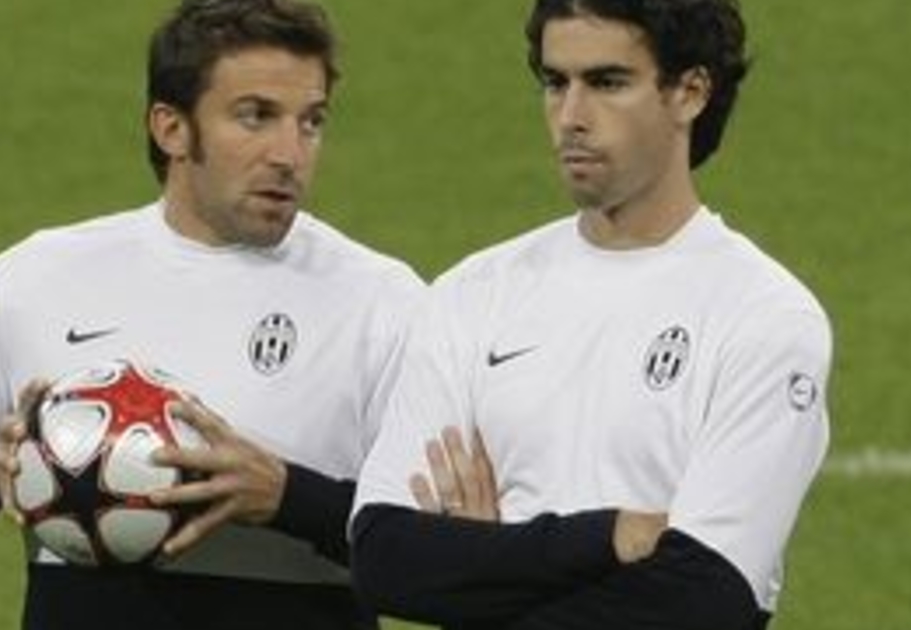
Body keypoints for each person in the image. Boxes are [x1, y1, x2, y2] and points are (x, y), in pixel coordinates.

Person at [0, 0, 422, 628]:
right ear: (171, 128)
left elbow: (445, 548)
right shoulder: (41, 276)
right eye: (255, 116)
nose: (290, 153)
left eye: (311, 121)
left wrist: (285, 497)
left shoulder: (381, 301)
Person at [351, 1, 833, 629]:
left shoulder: (765, 317)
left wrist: (487, 564)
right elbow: (386, 555)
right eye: (556, 83)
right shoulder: (474, 293)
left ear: (690, 92)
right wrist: (611, 537)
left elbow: (703, 597)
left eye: (607, 82)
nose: (571, 117)